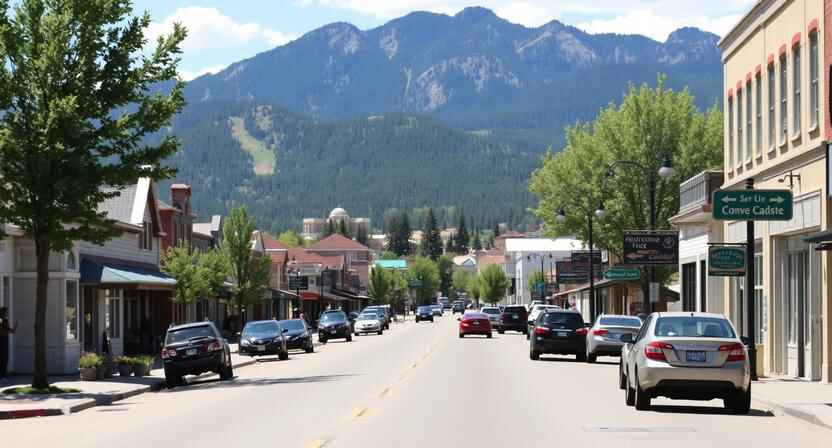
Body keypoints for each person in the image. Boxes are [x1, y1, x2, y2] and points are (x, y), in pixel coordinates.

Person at [0, 307, 18, 383]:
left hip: (4, 339)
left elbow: (10, 331)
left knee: (4, 358)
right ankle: (2, 376)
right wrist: (13, 328)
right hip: (1, 339)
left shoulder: (5, 320)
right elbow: (7, 330)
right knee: (3, 358)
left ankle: (3, 375)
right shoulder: (2, 320)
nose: (6, 313)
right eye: (5, 312)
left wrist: (14, 327)